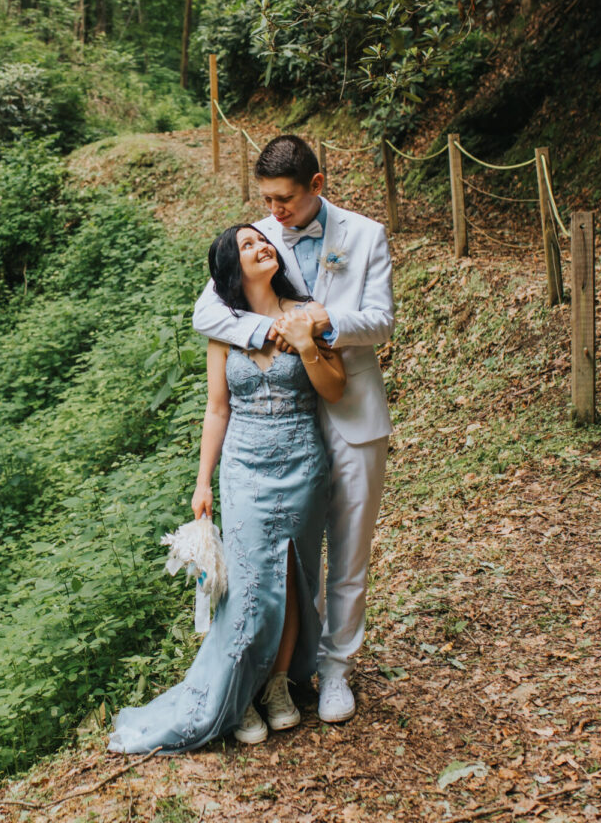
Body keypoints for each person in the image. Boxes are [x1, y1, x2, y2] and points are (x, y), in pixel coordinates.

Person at [108, 223, 346, 753]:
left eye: (263, 241)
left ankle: (280, 686)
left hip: (302, 462)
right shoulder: (224, 327)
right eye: (247, 245)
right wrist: (203, 482)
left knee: (291, 577)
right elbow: (217, 410)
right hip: (243, 469)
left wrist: (307, 345)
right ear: (232, 268)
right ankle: (239, 695)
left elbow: (335, 386)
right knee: (248, 587)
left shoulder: (307, 310)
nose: (263, 246)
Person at [192, 135, 393, 725]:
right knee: (289, 558)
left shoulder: (364, 235)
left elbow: (380, 320)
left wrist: (321, 322)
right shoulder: (256, 236)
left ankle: (335, 671)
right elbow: (209, 311)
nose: (274, 213)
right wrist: (262, 335)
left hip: (350, 409)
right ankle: (273, 674)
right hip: (277, 425)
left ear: (318, 186)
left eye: (284, 201)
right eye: (266, 200)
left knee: (349, 551)